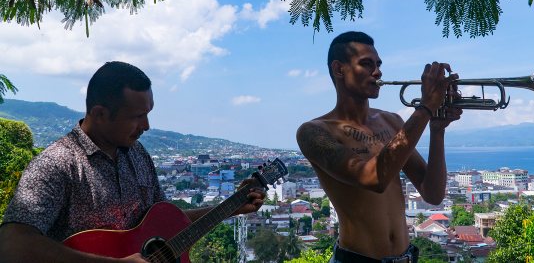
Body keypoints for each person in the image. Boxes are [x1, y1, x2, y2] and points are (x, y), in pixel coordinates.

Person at [0, 61, 265, 262]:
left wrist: (230, 207)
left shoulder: (138, 156)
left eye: (148, 113)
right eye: (137, 116)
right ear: (100, 113)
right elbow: (12, 244)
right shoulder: (57, 165)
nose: (147, 126)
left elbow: (166, 223)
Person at [296, 31, 462, 263]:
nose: (378, 71)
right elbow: (374, 179)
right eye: (366, 64)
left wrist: (437, 130)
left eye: (378, 64)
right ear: (339, 69)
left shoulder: (392, 121)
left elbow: (432, 194)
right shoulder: (313, 132)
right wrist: (425, 108)